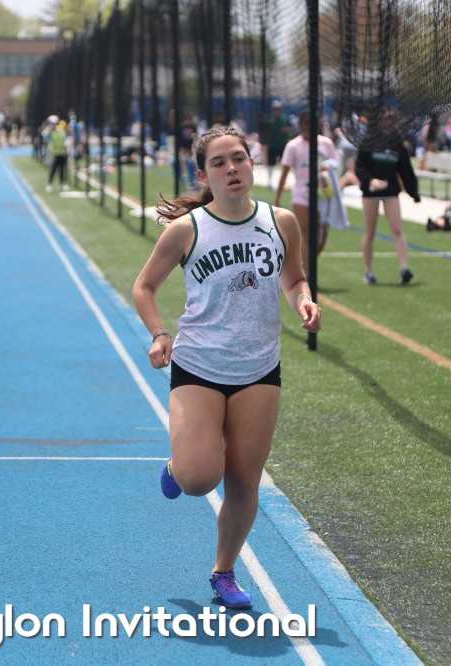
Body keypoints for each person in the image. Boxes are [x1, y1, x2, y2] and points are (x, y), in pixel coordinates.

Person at [131, 124, 322, 610]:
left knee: (243, 480)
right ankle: (178, 467)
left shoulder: (281, 222)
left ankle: (224, 571)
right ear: (203, 175)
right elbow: (144, 287)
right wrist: (159, 334)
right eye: (219, 163)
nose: (231, 168)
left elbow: (294, 278)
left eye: (238, 158)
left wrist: (303, 300)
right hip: (198, 365)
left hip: (259, 368)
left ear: (252, 163)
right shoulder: (187, 230)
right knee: (198, 479)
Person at [354, 116, 421, 285]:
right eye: (387, 119)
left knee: (397, 229)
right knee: (370, 231)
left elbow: (406, 170)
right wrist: (370, 180)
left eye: (393, 120)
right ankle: (368, 271)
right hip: (371, 193)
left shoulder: (397, 144)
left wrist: (414, 192)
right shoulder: (369, 141)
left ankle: (404, 268)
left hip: (391, 192)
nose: (390, 123)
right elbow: (359, 167)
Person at [274, 111, 339, 270]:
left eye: (309, 125)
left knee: (321, 235)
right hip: (302, 194)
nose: (306, 129)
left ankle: (309, 264)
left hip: (323, 194)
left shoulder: (326, 143)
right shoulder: (293, 146)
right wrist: (278, 197)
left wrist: (328, 167)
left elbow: (336, 162)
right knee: (307, 234)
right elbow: (284, 171)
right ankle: (306, 274)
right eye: (303, 125)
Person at [262, 101, 293, 188]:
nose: (277, 110)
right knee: (270, 164)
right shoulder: (269, 118)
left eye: (278, 108)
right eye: (275, 108)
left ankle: (284, 181)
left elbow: (291, 128)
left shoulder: (285, 118)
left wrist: (286, 129)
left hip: (283, 144)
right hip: (272, 145)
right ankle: (269, 182)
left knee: (285, 163)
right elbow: (265, 130)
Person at [45, 119, 70, 192]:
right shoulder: (50, 132)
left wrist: (66, 144)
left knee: (62, 170)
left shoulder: (60, 130)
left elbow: (65, 138)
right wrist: (49, 132)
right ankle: (49, 184)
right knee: (53, 169)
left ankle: (62, 184)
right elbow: (47, 138)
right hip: (54, 153)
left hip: (62, 153)